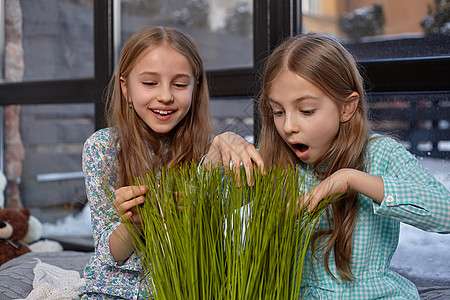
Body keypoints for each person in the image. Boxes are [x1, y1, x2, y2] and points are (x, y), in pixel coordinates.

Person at [252, 32, 450, 299]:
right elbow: (206, 208)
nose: (288, 127)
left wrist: (352, 180)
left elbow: (445, 212)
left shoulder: (381, 155)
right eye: (278, 111)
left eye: (307, 111)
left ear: (346, 108)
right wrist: (220, 150)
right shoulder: (273, 163)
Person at [80, 25, 259, 299]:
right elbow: (110, 255)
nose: (165, 95)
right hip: (115, 291)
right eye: (150, 83)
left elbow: (218, 235)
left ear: (196, 89)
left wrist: (218, 157)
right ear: (126, 88)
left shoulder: (210, 153)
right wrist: (135, 224)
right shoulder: (102, 149)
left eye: (179, 84)